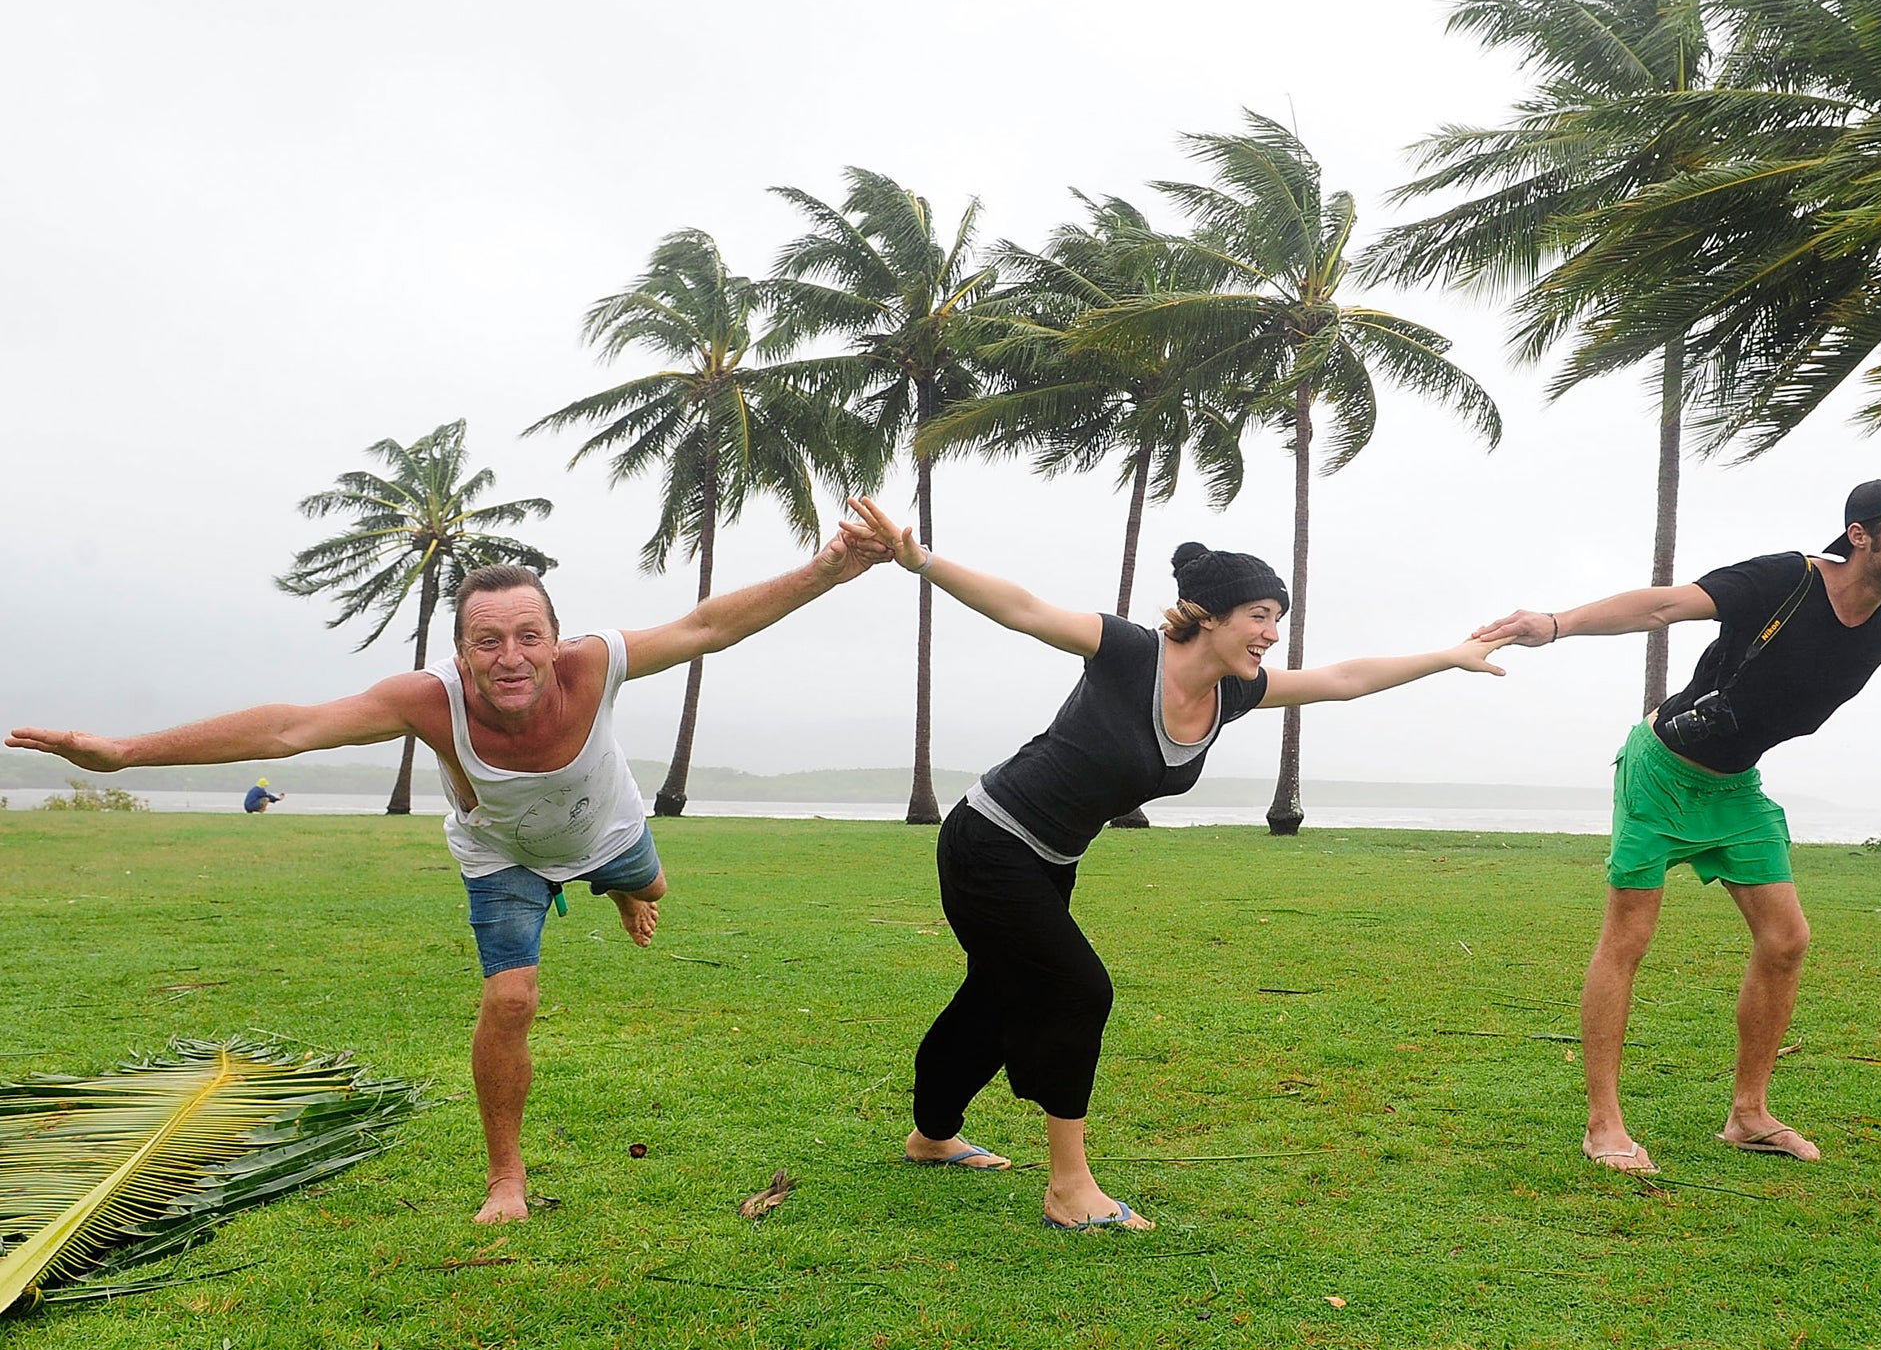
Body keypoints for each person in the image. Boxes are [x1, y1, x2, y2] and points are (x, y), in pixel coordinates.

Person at [7, 533, 889, 1223]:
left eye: (528, 636)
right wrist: (122, 752)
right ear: (462, 655)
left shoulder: (599, 664)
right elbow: (290, 729)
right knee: (510, 1001)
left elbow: (707, 628)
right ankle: (507, 1174)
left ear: (556, 641)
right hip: (500, 853)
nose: (511, 656)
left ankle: (623, 891)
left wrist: (829, 569)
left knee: (654, 890)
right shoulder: (427, 700)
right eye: (488, 640)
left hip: (609, 831)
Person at [846, 496, 1512, 1230]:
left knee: (994, 996)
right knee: (1075, 990)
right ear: (1212, 615)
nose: (1271, 631)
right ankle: (1070, 1187)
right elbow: (1025, 609)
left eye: (1276, 616)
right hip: (988, 839)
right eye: (1259, 613)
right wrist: (920, 559)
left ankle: (931, 1134)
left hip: (1049, 861)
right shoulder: (1129, 652)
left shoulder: (1233, 696)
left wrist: (1448, 655)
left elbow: (1344, 678)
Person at [1475, 478, 1881, 1174]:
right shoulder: (1785, 579)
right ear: (1860, 536)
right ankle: (1604, 1125)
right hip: (1663, 772)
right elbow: (1663, 605)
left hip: (1737, 788)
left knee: (1786, 938)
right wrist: (1555, 623)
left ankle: (1748, 1114)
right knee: (1629, 937)